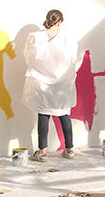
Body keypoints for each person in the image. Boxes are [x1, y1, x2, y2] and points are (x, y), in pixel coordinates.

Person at [22, 9, 78, 161]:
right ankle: (70, 149)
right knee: (64, 114)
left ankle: (42, 153)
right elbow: (72, 60)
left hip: (41, 83)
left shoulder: (35, 37)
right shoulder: (67, 39)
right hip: (63, 83)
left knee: (44, 114)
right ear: (59, 22)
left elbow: (28, 57)